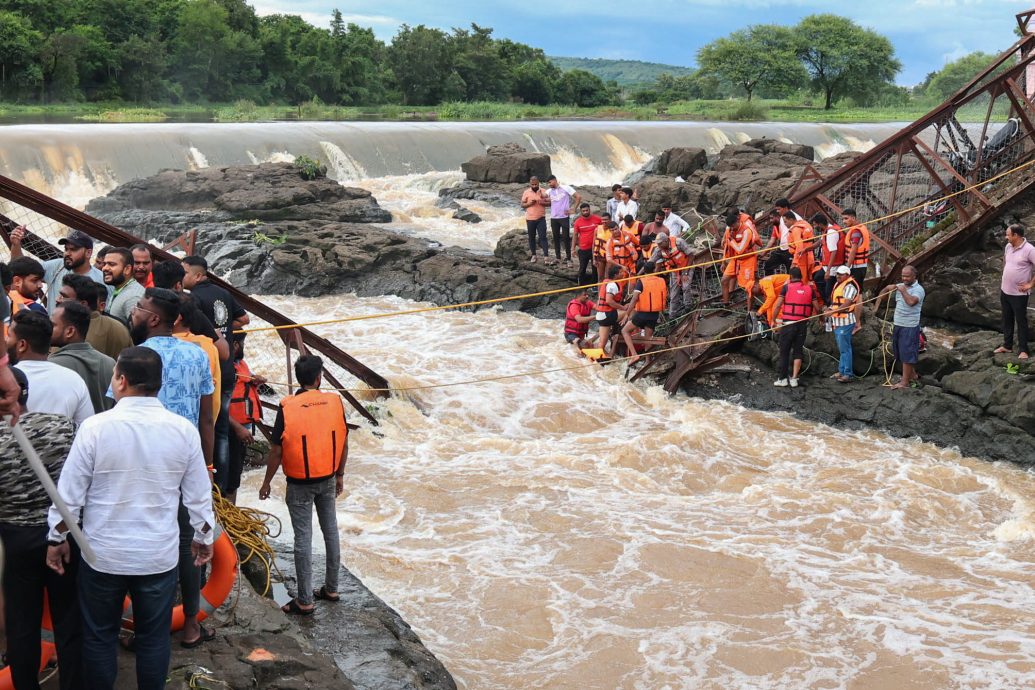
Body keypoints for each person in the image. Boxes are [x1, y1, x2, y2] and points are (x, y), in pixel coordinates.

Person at [46, 347, 214, 690]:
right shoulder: (182, 430)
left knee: (99, 636)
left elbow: (70, 496)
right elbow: (198, 494)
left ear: (121, 380)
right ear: (158, 383)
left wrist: (56, 538)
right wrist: (204, 535)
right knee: (154, 639)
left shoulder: (94, 428)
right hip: (157, 555)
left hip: (102, 555)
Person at [127, 287, 215, 648]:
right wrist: (207, 467)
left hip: (140, 464)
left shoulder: (133, 357)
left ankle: (147, 628)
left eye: (138, 307)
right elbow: (207, 419)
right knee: (187, 546)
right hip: (184, 460)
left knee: (143, 543)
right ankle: (191, 626)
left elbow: (118, 414)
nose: (133, 311)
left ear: (153, 318)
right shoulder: (196, 354)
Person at [0, 366, 83, 690]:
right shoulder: (61, 428)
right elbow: (80, 479)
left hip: (14, 538)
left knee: (22, 625)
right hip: (62, 533)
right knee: (68, 618)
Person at [259, 355, 347, 616]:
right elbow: (344, 440)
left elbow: (276, 451)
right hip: (328, 478)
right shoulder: (334, 402)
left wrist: (266, 483)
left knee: (303, 537)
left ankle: (305, 600)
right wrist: (340, 475)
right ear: (319, 377)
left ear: (299, 378)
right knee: (330, 530)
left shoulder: (287, 407)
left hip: (299, 484)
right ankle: (331, 588)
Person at [182, 256, 246, 493]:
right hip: (229, 369)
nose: (182, 277)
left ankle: (207, 481)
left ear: (198, 276)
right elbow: (244, 319)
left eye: (185, 272)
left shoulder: (194, 299)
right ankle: (223, 484)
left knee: (205, 425)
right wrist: (226, 330)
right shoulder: (223, 293)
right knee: (221, 432)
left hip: (210, 368)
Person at [6, 310, 93, 423]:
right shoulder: (74, 380)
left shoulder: (6, 382)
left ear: (22, 345)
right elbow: (85, 428)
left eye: (9, 335)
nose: (5, 340)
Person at [11, 228, 107, 313]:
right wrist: (16, 245)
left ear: (88, 253)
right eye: (66, 249)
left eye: (73, 250)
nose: (67, 253)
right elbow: (22, 269)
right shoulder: (57, 266)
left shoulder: (101, 279)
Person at [49, 301, 116, 413]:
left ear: (70, 331)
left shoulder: (52, 366)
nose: (48, 329)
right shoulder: (110, 363)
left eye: (53, 325)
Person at [173, 294, 222, 425]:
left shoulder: (160, 347)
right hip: (200, 423)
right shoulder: (208, 346)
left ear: (177, 318)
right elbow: (213, 396)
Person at [59, 274, 132, 360]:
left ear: (83, 304)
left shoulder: (77, 333)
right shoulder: (118, 326)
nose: (58, 299)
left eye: (64, 297)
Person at [772, 267, 823, 388]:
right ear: (801, 277)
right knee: (798, 352)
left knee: (784, 352)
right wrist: (822, 319)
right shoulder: (809, 289)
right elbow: (817, 307)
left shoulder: (786, 287)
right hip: (802, 325)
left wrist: (773, 320)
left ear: (790, 277)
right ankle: (794, 379)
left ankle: (783, 379)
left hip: (788, 324)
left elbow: (778, 304)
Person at [228, 335, 264, 504]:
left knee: (235, 476)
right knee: (228, 477)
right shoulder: (225, 368)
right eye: (242, 343)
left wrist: (255, 380)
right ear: (235, 344)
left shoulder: (240, 364)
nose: (244, 346)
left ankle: (231, 516)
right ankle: (225, 519)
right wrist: (237, 428)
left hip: (241, 430)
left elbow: (245, 380)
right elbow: (214, 403)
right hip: (230, 430)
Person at [879, 265, 925, 390]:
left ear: (914, 276)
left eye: (907, 276)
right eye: (902, 276)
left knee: (907, 354)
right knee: (899, 352)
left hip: (909, 326)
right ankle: (913, 375)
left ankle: (904, 383)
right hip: (898, 324)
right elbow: (882, 298)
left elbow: (911, 302)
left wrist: (903, 291)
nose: (904, 278)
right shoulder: (900, 286)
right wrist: (886, 288)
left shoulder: (919, 290)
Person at [994, 223, 1035, 360]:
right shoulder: (1008, 247)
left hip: (1019, 294)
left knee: (1021, 320)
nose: (1006, 237)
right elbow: (1006, 262)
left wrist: (1030, 284)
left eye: (1008, 234)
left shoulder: (1029, 250)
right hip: (1005, 290)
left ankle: (1023, 349)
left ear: (1016, 235)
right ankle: (1007, 345)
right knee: (1007, 318)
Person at [620, 263, 668, 364]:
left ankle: (634, 355)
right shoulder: (661, 280)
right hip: (655, 314)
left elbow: (634, 299)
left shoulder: (641, 281)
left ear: (644, 271)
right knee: (648, 338)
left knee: (625, 331)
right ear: (654, 270)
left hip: (642, 314)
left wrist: (626, 314)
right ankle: (647, 361)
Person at [826, 266, 862, 382]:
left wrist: (832, 311)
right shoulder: (838, 285)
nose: (838, 276)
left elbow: (847, 304)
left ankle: (848, 374)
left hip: (846, 321)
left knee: (845, 349)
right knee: (842, 348)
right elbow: (836, 302)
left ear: (847, 275)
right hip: (837, 321)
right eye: (837, 274)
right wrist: (829, 309)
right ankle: (842, 371)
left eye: (841, 274)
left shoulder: (850, 286)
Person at [720, 209, 761, 304]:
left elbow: (740, 250)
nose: (732, 228)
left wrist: (732, 242)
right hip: (735, 259)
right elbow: (726, 246)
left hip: (747, 260)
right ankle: (726, 304)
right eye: (730, 227)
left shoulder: (747, 231)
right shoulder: (729, 229)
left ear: (738, 221)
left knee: (748, 286)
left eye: (733, 226)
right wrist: (723, 261)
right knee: (724, 280)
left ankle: (750, 311)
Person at [650, 232, 694, 317]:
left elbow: (691, 255)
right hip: (674, 270)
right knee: (673, 293)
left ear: (666, 241)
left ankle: (688, 307)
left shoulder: (679, 242)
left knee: (686, 287)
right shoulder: (659, 250)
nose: (658, 246)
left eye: (660, 243)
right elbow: (651, 261)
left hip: (686, 266)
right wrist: (641, 274)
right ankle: (672, 315)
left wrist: (685, 272)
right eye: (657, 244)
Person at [101, 247, 144, 323]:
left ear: (127, 269)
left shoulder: (133, 296)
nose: (104, 268)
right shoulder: (119, 288)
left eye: (111, 264)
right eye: (104, 264)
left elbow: (137, 331)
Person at [546, 175, 580, 266]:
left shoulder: (566, 188)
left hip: (564, 217)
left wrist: (573, 209)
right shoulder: (549, 191)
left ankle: (568, 259)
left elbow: (578, 197)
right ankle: (558, 258)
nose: (549, 184)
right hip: (554, 218)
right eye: (548, 183)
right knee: (555, 238)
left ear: (554, 180)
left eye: (550, 182)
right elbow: (542, 197)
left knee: (566, 237)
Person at [813, 213, 845, 304]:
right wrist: (806, 249)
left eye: (815, 225)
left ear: (820, 224)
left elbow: (833, 251)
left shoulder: (831, 233)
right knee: (818, 278)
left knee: (828, 289)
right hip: (826, 265)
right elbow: (820, 242)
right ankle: (827, 302)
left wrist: (828, 271)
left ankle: (830, 305)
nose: (814, 227)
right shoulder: (827, 230)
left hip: (833, 266)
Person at [763, 199, 801, 275]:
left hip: (790, 249)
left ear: (785, 207)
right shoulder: (782, 218)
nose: (777, 211)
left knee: (790, 272)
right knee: (768, 265)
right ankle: (770, 284)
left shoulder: (797, 218)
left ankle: (788, 286)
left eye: (779, 209)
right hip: (781, 248)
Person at [595, 266, 625, 358]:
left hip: (600, 315)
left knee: (602, 343)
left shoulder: (606, 282)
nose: (623, 274)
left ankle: (599, 359)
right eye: (621, 273)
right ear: (616, 275)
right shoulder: (612, 285)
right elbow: (609, 301)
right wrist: (623, 307)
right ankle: (623, 332)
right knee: (629, 312)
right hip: (606, 315)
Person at [571, 203, 602, 286]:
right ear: (581, 212)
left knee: (595, 267)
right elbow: (575, 235)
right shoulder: (578, 222)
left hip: (595, 248)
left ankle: (594, 285)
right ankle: (581, 285)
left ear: (589, 210)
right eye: (583, 211)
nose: (585, 212)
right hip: (583, 249)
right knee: (582, 268)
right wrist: (573, 249)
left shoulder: (598, 219)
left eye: (587, 210)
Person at [521, 176, 551, 264]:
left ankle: (546, 257)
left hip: (541, 218)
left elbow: (550, 203)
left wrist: (542, 202)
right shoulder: (526, 192)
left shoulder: (544, 191)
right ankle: (534, 255)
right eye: (532, 184)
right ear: (530, 184)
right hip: (530, 219)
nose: (534, 186)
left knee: (543, 237)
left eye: (536, 184)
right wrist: (529, 204)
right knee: (531, 238)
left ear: (539, 183)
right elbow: (522, 204)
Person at [843, 208, 871, 286]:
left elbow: (853, 250)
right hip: (862, 266)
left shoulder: (856, 232)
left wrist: (847, 267)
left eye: (846, 218)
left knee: (854, 291)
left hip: (856, 267)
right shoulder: (861, 227)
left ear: (853, 218)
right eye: (843, 219)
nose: (844, 221)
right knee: (859, 290)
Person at [592, 219, 616, 283]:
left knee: (607, 276)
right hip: (600, 256)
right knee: (600, 277)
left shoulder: (613, 230)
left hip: (610, 256)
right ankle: (600, 293)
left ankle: (607, 292)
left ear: (610, 220)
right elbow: (594, 244)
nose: (604, 221)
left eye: (606, 219)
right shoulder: (597, 229)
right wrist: (594, 258)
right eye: (603, 220)